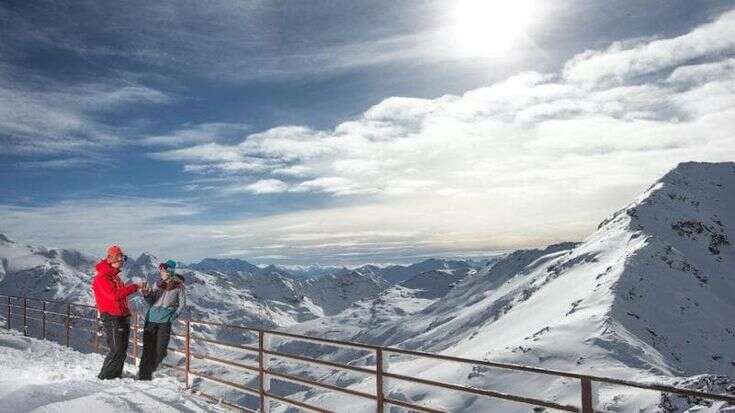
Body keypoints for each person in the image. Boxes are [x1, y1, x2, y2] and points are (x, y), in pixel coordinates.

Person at [92, 245, 144, 380]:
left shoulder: (114, 277)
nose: (123, 261)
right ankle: (104, 378)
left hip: (121, 316)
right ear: (112, 259)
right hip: (112, 317)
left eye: (123, 258)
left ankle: (115, 376)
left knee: (121, 350)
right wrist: (135, 287)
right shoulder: (102, 277)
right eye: (121, 258)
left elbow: (119, 297)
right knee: (116, 349)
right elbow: (114, 296)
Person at [137, 259, 187, 380]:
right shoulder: (157, 284)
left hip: (165, 322)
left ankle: (149, 371)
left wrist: (172, 316)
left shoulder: (179, 287)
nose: (160, 272)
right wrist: (146, 294)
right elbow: (151, 301)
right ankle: (143, 376)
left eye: (162, 270)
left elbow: (182, 304)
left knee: (160, 351)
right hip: (151, 319)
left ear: (169, 271)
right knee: (147, 349)